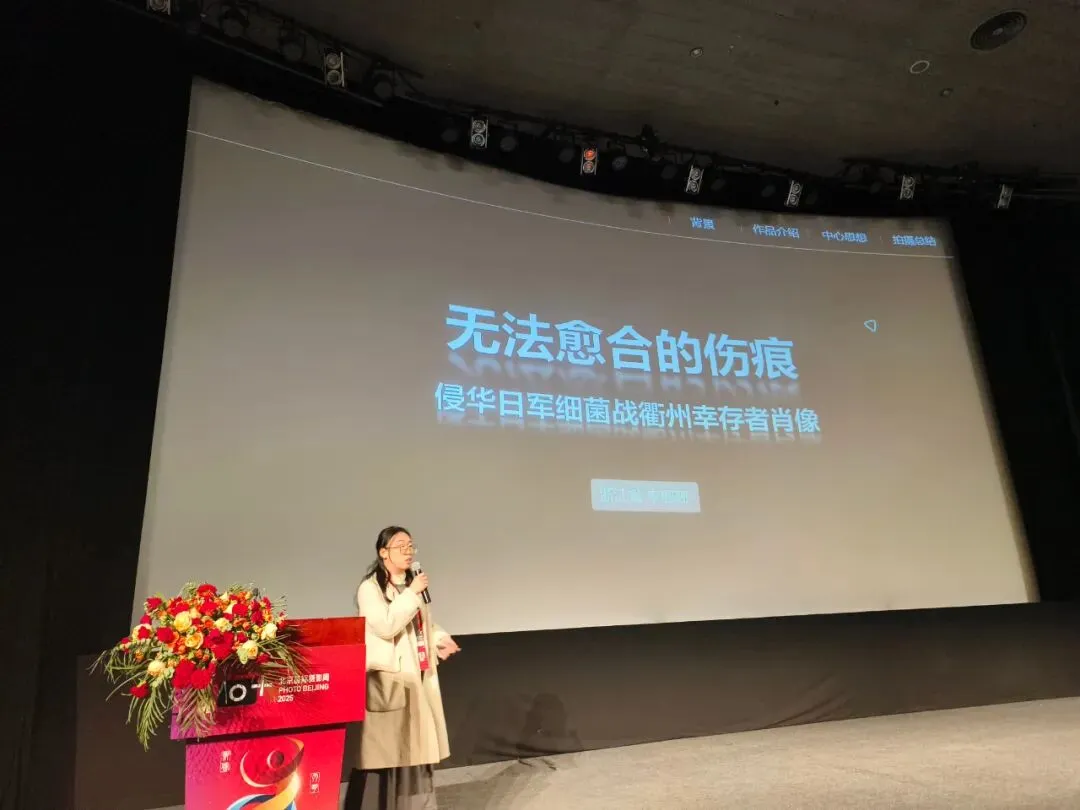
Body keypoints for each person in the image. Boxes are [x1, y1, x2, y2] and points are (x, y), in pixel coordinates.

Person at [345, 526, 461, 810]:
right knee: (385, 751)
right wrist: (411, 593)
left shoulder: (411, 586)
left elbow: (421, 624)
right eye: (401, 546)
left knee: (415, 747)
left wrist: (439, 637)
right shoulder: (370, 588)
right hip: (390, 679)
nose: (408, 551)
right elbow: (385, 626)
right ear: (383, 552)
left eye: (411, 545)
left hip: (417, 676)